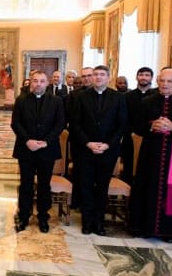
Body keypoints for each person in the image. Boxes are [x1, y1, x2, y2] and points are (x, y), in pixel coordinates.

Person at [128, 67, 172, 241]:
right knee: (148, 186)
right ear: (157, 81)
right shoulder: (147, 101)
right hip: (151, 152)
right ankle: (146, 227)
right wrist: (152, 126)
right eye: (162, 81)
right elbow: (137, 126)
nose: (165, 84)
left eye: (169, 81)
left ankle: (170, 231)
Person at [70, 65, 127, 236]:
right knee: (86, 186)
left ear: (108, 77)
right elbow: (75, 124)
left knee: (102, 188)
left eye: (102, 75)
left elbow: (122, 124)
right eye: (95, 75)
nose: (98, 77)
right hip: (85, 150)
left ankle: (99, 223)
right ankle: (87, 222)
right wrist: (88, 143)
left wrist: (108, 144)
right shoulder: (81, 97)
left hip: (108, 151)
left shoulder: (118, 98)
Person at [12, 70, 65, 233]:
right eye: (35, 81)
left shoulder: (56, 101)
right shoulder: (21, 100)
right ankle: (24, 216)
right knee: (26, 184)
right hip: (26, 148)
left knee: (44, 184)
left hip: (46, 149)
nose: (38, 84)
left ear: (47, 83)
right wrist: (28, 140)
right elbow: (16, 123)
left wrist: (45, 142)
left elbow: (59, 124)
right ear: (30, 83)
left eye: (42, 81)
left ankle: (43, 217)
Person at [120, 67, 156, 182]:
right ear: (136, 77)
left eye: (147, 75)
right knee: (128, 166)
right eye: (141, 75)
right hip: (129, 136)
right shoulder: (127, 96)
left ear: (151, 78)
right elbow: (123, 117)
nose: (143, 77)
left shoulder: (156, 96)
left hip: (150, 137)